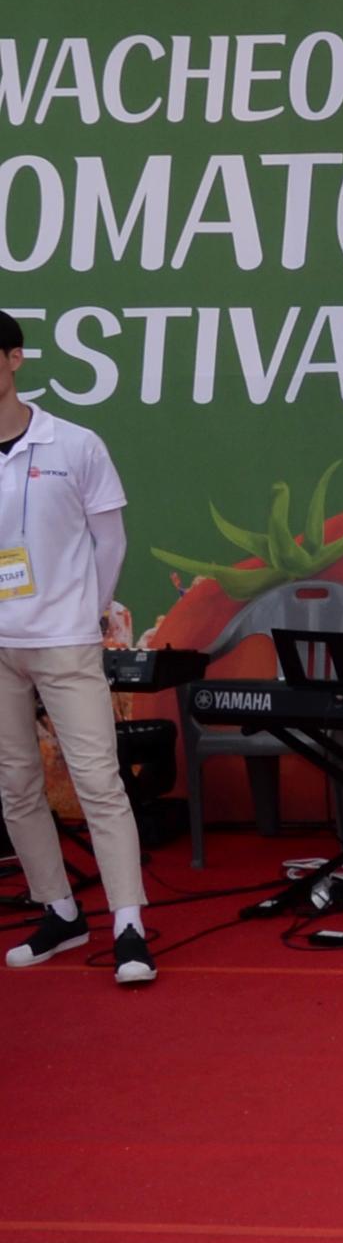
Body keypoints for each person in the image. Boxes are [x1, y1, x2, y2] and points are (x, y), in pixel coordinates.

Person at [0, 318, 153, 987]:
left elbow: (109, 541)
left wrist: (83, 611)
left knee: (98, 781)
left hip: (64, 639)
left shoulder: (75, 443)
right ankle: (59, 908)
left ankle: (128, 922)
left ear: (13, 359)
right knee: (16, 786)